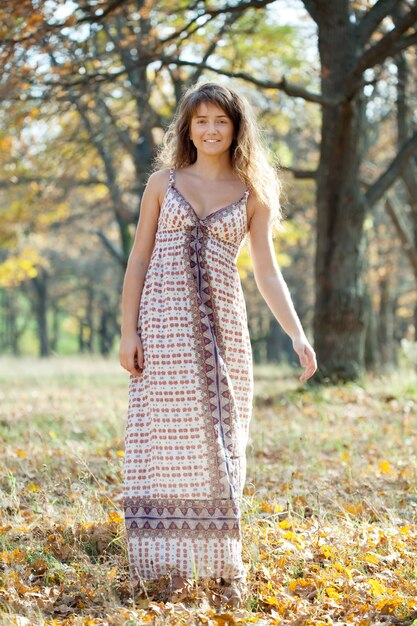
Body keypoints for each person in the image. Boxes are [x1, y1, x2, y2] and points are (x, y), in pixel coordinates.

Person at [119, 81, 317, 607]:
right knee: (168, 439)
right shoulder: (163, 183)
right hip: (163, 327)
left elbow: (268, 273)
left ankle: (223, 568)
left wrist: (297, 332)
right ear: (187, 127)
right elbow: (138, 260)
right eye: (200, 120)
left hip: (223, 330)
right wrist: (127, 330)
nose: (210, 129)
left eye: (220, 121)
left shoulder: (254, 194)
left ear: (236, 129)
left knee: (224, 438)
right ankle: (167, 568)